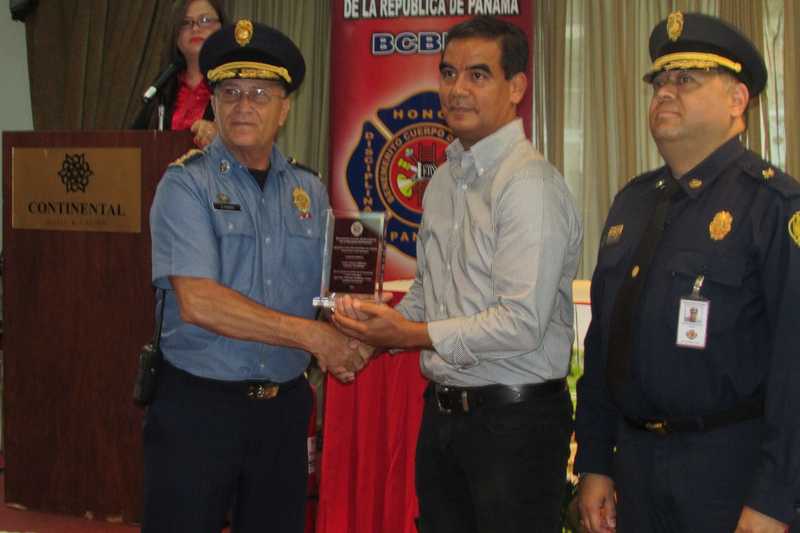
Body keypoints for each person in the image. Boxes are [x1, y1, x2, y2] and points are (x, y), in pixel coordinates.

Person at [332, 16, 583, 533]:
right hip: (445, 417)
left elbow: (520, 323)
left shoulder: (529, 186)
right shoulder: (445, 178)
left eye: (478, 75)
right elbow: (431, 291)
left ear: (517, 87)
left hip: (515, 427)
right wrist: (372, 336)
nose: (457, 89)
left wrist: (408, 334)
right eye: (448, 73)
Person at [574, 11, 800, 533]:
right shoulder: (632, 203)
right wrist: (596, 460)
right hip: (636, 467)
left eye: (686, 79)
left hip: (729, 470)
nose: (664, 92)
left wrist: (774, 500)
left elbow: (795, 367)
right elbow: (604, 345)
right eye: (659, 81)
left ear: (737, 100)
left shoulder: (773, 206)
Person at [145, 20, 370, 533]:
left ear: (284, 109)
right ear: (214, 102)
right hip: (199, 408)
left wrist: (358, 331)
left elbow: (330, 294)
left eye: (261, 94)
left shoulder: (310, 191)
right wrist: (313, 337)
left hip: (282, 414)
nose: (243, 106)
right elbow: (200, 301)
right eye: (231, 92)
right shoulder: (185, 185)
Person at [141, 0, 225, 147]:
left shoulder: (234, 84)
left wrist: (225, 136)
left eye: (205, 20)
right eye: (185, 23)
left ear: (222, 28)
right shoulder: (164, 85)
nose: (195, 28)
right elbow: (131, 143)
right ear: (175, 35)